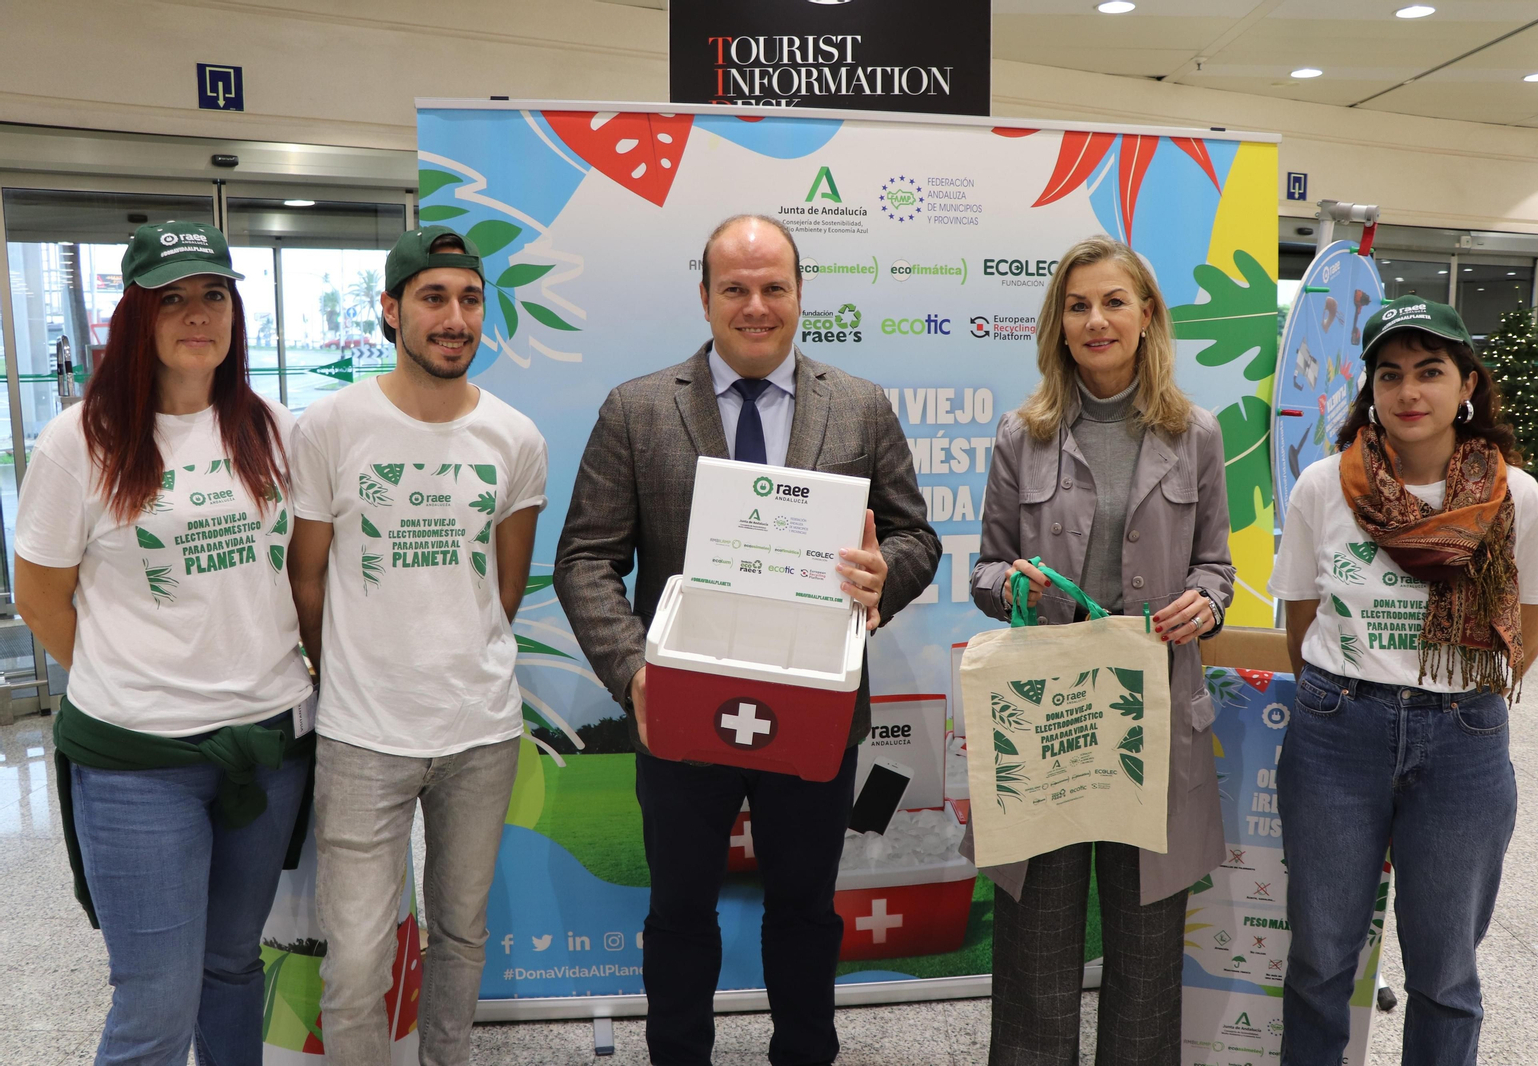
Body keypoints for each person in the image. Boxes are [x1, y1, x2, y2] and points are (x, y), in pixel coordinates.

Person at [554, 214, 940, 1066]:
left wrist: (887, 574)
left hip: (815, 713)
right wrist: (637, 676)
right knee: (680, 913)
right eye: (735, 288)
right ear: (705, 297)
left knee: (805, 911)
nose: (755, 305)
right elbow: (583, 559)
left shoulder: (862, 405)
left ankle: (805, 1055)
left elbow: (917, 538)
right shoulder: (639, 409)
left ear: (801, 295)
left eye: (774, 287)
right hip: (684, 715)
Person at [14, 221, 313, 1065]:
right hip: (137, 764)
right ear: (135, 316)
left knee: (231, 969)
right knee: (154, 1002)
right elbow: (38, 599)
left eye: (213, 294)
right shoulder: (81, 440)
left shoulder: (273, 428)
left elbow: (291, 575)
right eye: (172, 297)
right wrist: (135, 675)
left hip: (268, 748)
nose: (197, 313)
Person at [1268, 296, 1538, 1065]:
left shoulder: (1515, 497)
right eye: (1389, 374)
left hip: (1463, 738)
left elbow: (1524, 641)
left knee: (1445, 974)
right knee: (1320, 961)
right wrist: (1351, 689)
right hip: (1337, 735)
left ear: (1467, 384)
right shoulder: (1323, 487)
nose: (1409, 393)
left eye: (1430, 372)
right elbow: (1301, 623)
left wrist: (1448, 692)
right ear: (1369, 390)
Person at [969, 233, 1235, 1065]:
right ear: (1059, 324)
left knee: (1147, 944)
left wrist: (1208, 600)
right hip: (1049, 718)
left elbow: (1218, 566)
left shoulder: (1196, 434)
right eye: (1078, 305)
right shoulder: (1024, 433)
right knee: (1037, 945)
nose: (1096, 320)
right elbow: (985, 568)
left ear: (1148, 315)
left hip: (1152, 714)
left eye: (1114, 301)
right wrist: (1009, 586)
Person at [286, 225, 548, 1065]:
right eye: (434, 298)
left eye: (470, 300)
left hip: (480, 731)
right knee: (358, 959)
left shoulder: (516, 438)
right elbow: (307, 579)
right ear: (391, 311)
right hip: (363, 735)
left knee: (461, 931)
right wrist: (349, 671)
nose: (455, 318)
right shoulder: (331, 427)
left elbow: (504, 589)